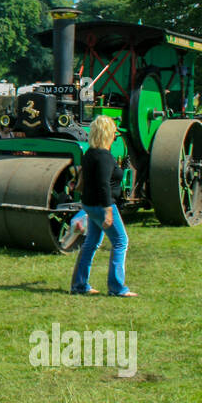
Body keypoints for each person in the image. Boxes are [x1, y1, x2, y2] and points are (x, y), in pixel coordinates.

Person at [69, 115, 137, 297]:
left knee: (91, 243)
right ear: (107, 133)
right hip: (102, 206)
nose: (116, 134)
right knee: (121, 242)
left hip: (89, 205)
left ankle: (79, 285)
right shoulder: (104, 157)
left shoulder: (90, 153)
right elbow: (103, 185)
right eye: (114, 131)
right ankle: (117, 288)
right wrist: (108, 211)